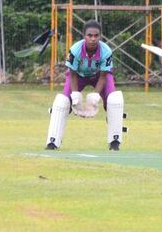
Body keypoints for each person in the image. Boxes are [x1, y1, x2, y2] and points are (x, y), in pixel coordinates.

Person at [45, 20, 125, 151]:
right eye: (89, 35)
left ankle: (114, 142)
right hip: (78, 76)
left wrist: (95, 96)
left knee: (114, 100)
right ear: (84, 36)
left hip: (99, 76)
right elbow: (73, 74)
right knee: (62, 102)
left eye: (96, 36)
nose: (93, 39)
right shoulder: (75, 50)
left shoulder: (106, 51)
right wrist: (75, 96)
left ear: (100, 36)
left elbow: (104, 76)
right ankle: (52, 142)